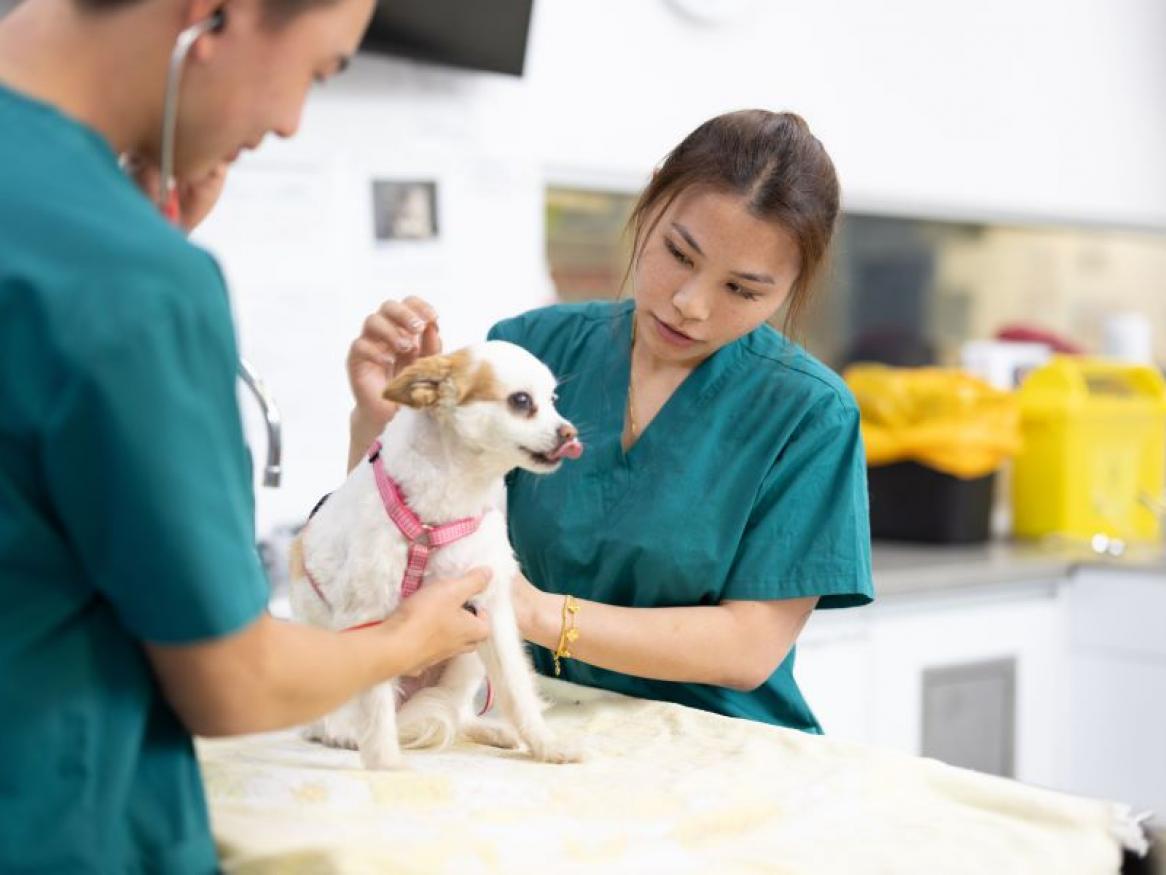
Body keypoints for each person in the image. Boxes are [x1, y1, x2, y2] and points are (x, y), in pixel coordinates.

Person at [0, 0, 491, 870]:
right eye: (316, 69)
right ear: (212, 12)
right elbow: (233, 680)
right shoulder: (135, 281)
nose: (290, 123)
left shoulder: (96, 253)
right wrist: (409, 638)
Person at [348, 110, 874, 733]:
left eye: (742, 291)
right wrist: (386, 419)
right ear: (651, 198)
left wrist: (536, 614)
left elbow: (747, 648)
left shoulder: (808, 414)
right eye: (679, 254)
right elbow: (396, 535)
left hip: (716, 742)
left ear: (791, 287)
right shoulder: (534, 350)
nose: (691, 303)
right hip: (532, 718)